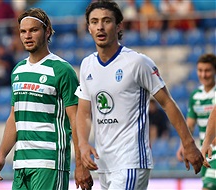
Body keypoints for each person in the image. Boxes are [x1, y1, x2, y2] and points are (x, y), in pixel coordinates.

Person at [75, 1, 203, 189]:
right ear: (88, 28)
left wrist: (189, 143)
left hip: (131, 161)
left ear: (118, 26)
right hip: (103, 165)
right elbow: (84, 113)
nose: (100, 27)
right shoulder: (87, 65)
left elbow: (167, 103)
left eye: (106, 21)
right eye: (94, 22)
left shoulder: (137, 62)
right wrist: (83, 145)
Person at [0, 8, 93, 190]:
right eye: (23, 31)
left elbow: (75, 119)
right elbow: (14, 117)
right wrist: (1, 155)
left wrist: (81, 164)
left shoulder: (62, 70)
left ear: (47, 32)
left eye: (33, 30)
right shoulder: (18, 71)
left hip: (49, 163)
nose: (27, 36)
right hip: (21, 164)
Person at [177, 53, 216, 190]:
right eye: (200, 70)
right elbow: (190, 124)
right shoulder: (195, 95)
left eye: (207, 70)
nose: (203, 75)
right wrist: (184, 144)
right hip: (203, 151)